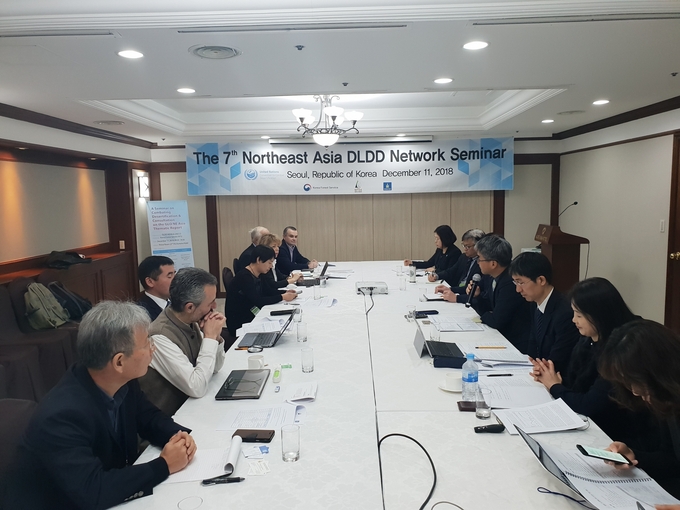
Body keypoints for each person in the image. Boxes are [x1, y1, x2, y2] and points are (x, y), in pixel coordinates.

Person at [3, 301, 196, 510]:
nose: (153, 348)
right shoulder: (61, 416)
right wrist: (164, 465)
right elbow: (94, 491)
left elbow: (148, 417)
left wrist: (178, 436)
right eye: (146, 344)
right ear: (119, 362)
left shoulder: (119, 381)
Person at [531, 277, 638, 441]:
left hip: (614, 433)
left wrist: (554, 386)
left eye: (579, 315)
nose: (574, 320)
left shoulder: (621, 350)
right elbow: (575, 381)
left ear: (599, 315)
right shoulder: (588, 339)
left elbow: (589, 404)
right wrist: (548, 374)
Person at [599, 320, 680, 502]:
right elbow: (672, 460)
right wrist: (634, 456)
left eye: (637, 381)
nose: (635, 391)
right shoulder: (667, 400)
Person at [139, 267, 226, 416]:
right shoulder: (159, 336)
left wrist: (215, 338)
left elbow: (215, 368)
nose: (215, 307)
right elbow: (196, 387)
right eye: (210, 303)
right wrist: (210, 338)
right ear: (190, 307)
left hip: (193, 407)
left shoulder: (190, 320)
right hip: (172, 417)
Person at [509, 252, 579, 373]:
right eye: (515, 282)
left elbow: (559, 359)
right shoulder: (534, 303)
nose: (518, 289)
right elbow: (533, 343)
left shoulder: (564, 312)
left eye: (521, 282)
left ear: (541, 280)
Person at [467, 234, 531, 352]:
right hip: (504, 335)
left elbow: (497, 321)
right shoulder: (493, 277)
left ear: (493, 264)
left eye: (479, 258)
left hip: (515, 343)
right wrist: (477, 296)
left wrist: (487, 315)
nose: (477, 262)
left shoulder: (510, 282)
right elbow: (489, 307)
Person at [227, 245, 298, 337]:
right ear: (258, 260)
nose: (271, 266)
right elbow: (258, 301)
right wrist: (282, 297)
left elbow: (268, 291)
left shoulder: (260, 273)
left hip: (253, 312)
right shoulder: (245, 277)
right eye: (269, 262)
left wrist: (285, 293)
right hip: (241, 321)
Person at [432, 228, 485, 304]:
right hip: (459, 292)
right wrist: (437, 276)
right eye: (464, 246)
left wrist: (454, 293)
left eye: (468, 247)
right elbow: (451, 271)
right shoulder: (464, 257)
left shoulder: (483, 264)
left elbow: (473, 290)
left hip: (467, 298)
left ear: (478, 247)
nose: (465, 249)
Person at [137, 255, 176, 321]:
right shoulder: (142, 314)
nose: (176, 279)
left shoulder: (179, 301)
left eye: (174, 274)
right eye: (169, 276)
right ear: (150, 282)